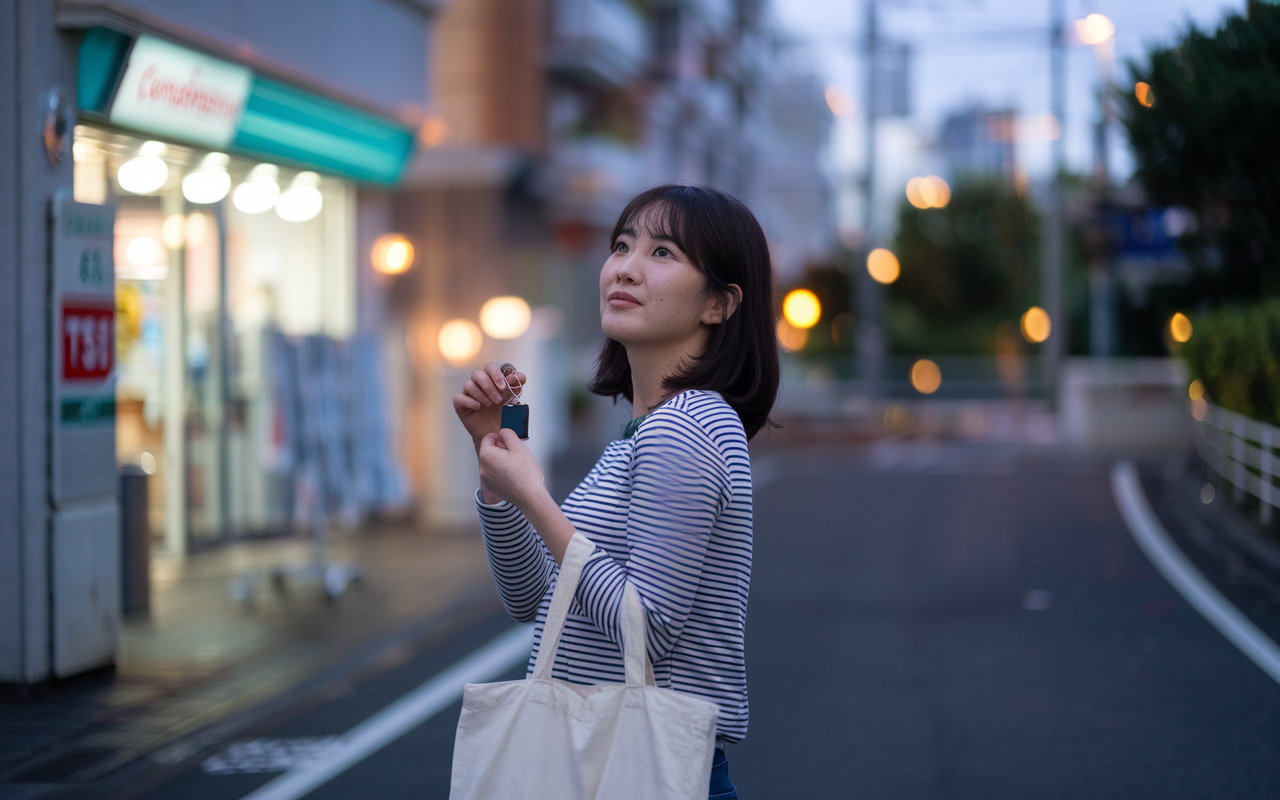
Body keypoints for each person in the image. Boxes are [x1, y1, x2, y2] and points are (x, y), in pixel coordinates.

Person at [453, 184, 779, 799]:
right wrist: (498, 478)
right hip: (603, 759)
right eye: (623, 244)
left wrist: (538, 501)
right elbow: (533, 600)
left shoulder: (687, 428)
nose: (625, 267)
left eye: (663, 253)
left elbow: (646, 628)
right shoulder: (644, 430)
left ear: (719, 304)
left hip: (650, 769)